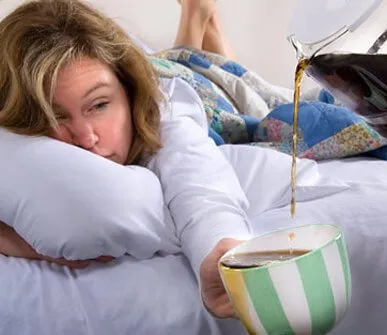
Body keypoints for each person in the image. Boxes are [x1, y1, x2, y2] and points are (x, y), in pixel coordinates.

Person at [0, 0, 250, 319]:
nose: (86, 137)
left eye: (99, 105)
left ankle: (198, 15)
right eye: (56, 117)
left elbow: (198, 181)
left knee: (207, 74)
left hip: (192, 90)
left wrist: (220, 247)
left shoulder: (165, 113)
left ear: (130, 95)